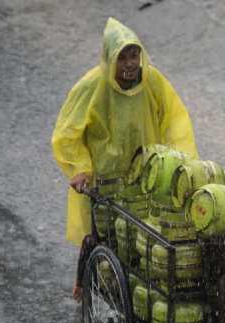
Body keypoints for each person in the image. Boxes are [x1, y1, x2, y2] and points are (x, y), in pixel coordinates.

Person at [51, 17, 198, 305]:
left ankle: (135, 309)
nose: (130, 64)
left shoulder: (152, 80)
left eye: (134, 55)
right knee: (101, 237)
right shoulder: (91, 86)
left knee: (140, 244)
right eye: (122, 57)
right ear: (109, 60)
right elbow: (67, 133)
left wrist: (183, 163)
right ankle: (85, 284)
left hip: (145, 176)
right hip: (104, 179)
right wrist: (81, 168)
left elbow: (175, 120)